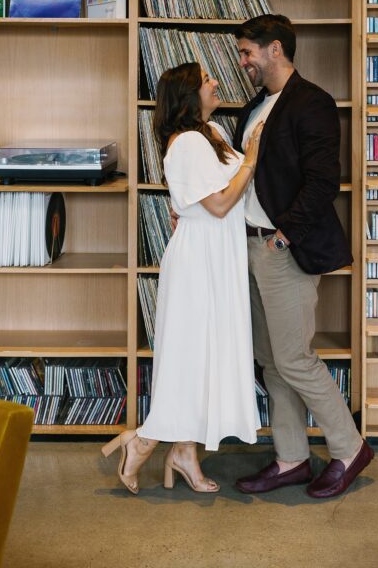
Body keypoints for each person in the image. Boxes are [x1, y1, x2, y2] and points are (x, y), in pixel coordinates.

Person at [102, 61, 263, 494]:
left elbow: (208, 197)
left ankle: (183, 451)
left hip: (216, 254)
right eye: (207, 79)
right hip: (199, 260)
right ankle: (144, 441)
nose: (215, 83)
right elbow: (219, 204)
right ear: (189, 95)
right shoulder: (190, 141)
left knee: (203, 355)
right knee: (191, 355)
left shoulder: (212, 135)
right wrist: (252, 159)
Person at [232, 14, 374, 500]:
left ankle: (350, 448)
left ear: (276, 49)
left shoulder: (311, 102)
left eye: (247, 51)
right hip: (247, 245)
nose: (242, 60)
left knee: (295, 358)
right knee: (271, 360)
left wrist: (283, 235)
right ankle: (291, 459)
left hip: (280, 248)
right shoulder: (255, 107)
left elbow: (322, 182)